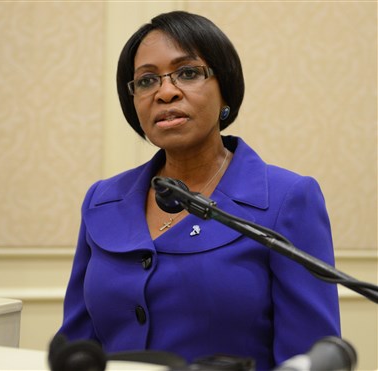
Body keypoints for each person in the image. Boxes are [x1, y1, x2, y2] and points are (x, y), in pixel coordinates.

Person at [56, 10, 341, 370]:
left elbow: (310, 358)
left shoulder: (288, 199)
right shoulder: (102, 200)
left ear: (226, 90)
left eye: (188, 73)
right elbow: (75, 349)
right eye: (146, 81)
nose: (165, 92)